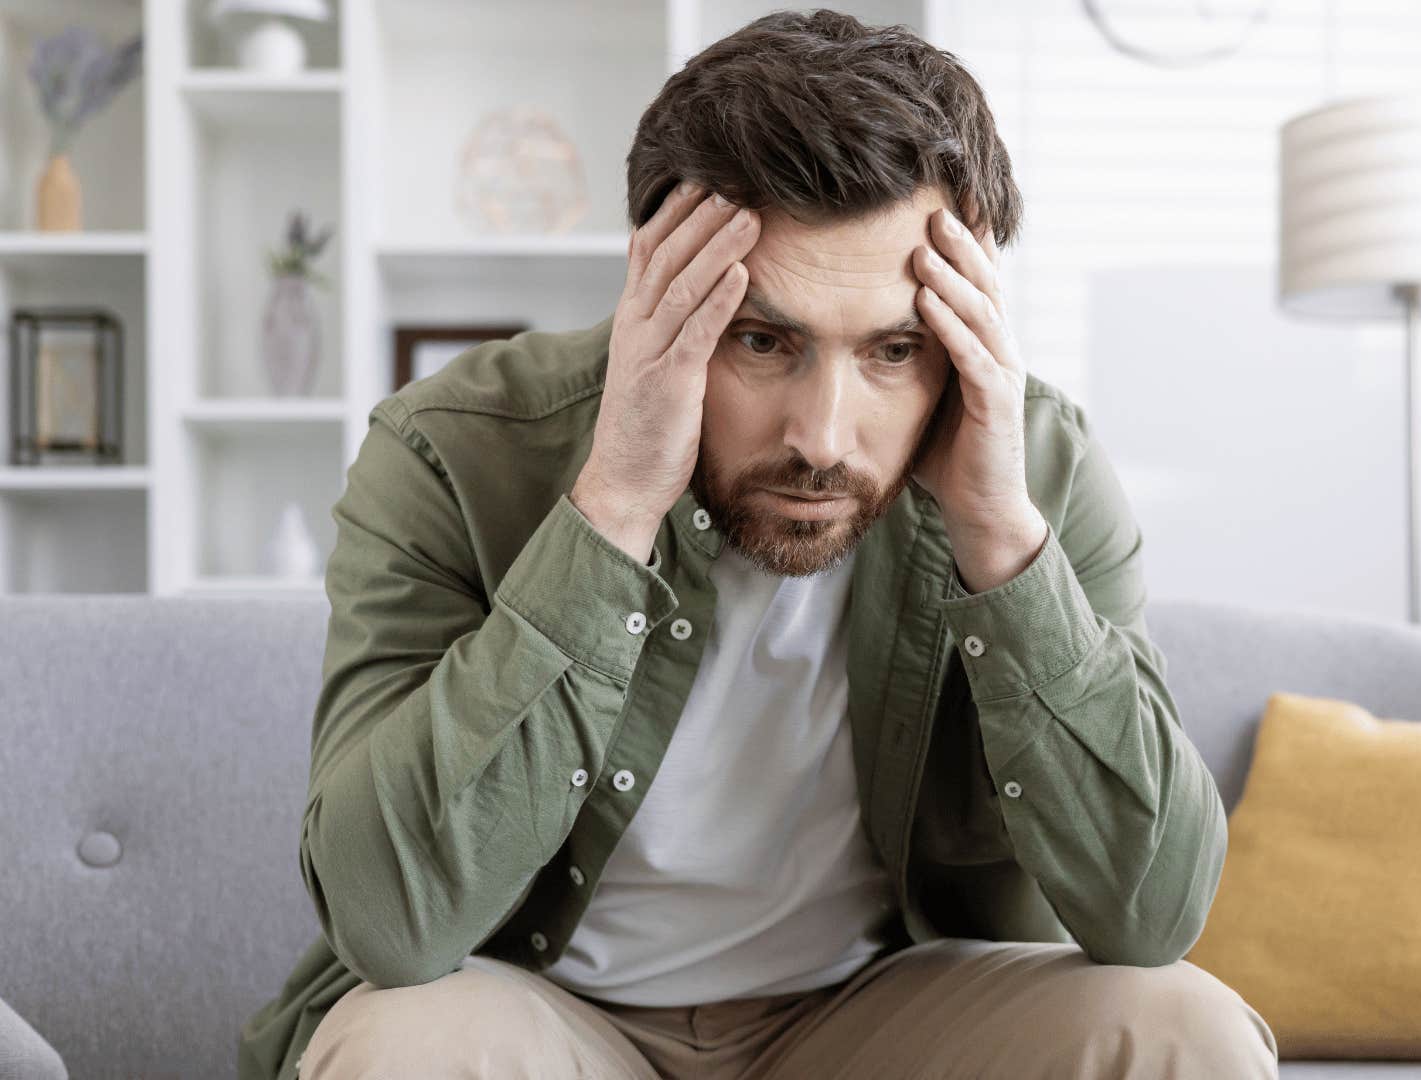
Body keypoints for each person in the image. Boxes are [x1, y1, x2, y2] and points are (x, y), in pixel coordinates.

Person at [238, 9, 1279, 1078]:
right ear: (655, 284)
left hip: (877, 1017)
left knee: (1180, 1032)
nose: (821, 440)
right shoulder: (452, 452)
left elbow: (1152, 916)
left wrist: (1003, 543)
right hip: (547, 1014)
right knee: (404, 1051)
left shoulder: (1035, 466)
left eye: (894, 349)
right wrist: (613, 507)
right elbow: (390, 920)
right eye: (763, 340)